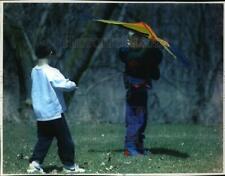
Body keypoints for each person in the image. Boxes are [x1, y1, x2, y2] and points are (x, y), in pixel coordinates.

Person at [27, 44, 85, 174]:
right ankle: (69, 165)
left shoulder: (34, 71)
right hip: (53, 112)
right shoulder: (52, 71)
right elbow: (63, 84)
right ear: (50, 54)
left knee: (44, 139)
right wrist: (73, 84)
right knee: (65, 140)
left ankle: (35, 163)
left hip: (40, 113)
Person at [119, 31, 163, 156]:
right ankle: (130, 148)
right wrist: (149, 48)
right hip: (133, 92)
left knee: (142, 120)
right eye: (134, 39)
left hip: (142, 91)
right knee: (134, 120)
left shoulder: (145, 55)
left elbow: (156, 75)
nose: (138, 42)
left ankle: (138, 146)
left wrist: (155, 51)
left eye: (140, 40)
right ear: (129, 41)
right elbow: (137, 58)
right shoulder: (126, 52)